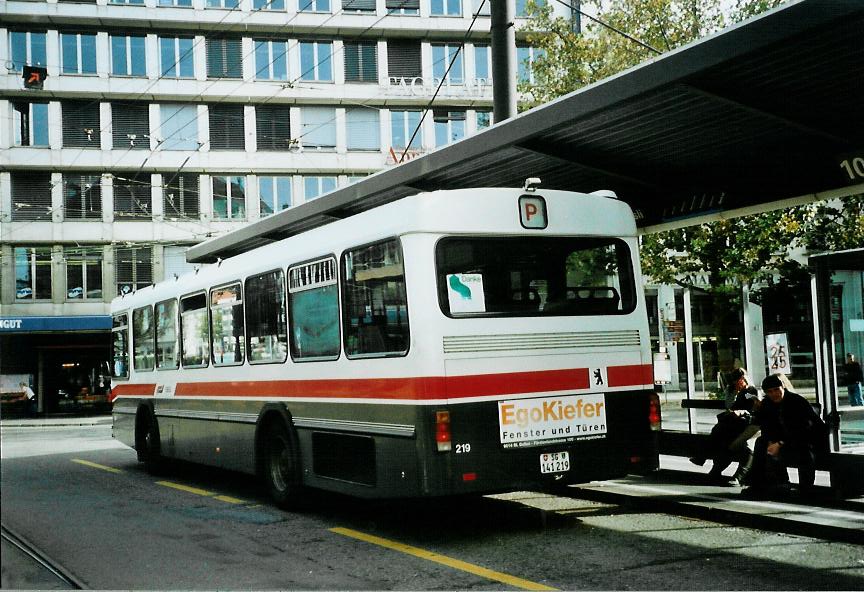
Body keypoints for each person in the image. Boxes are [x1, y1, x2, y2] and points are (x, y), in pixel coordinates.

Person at [742, 374, 827, 499]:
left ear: (783, 387)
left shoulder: (796, 401)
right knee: (761, 443)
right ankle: (760, 485)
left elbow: (804, 429)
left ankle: (805, 490)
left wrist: (780, 443)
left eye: (776, 390)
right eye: (770, 392)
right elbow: (765, 425)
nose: (774, 394)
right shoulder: (767, 403)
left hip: (804, 440)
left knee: (804, 453)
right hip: (781, 440)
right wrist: (771, 441)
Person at [691, 368, 761, 485]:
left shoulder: (749, 391)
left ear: (744, 379)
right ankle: (709, 464)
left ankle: (738, 476)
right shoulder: (733, 390)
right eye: (736, 380)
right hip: (735, 424)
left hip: (749, 424)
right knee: (720, 435)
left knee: (744, 445)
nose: (738, 382)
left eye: (740, 380)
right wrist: (735, 393)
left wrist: (743, 410)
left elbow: (755, 404)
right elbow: (729, 405)